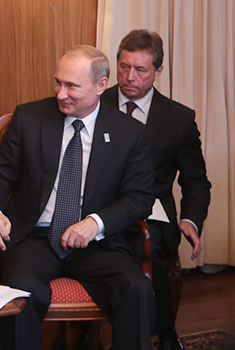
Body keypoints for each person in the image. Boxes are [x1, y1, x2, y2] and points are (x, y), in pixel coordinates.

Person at [0, 45, 155, 350]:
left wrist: (95, 223)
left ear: (101, 85)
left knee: (135, 288)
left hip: (97, 244)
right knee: (20, 291)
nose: (61, 94)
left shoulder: (129, 132)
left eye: (72, 85)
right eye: (58, 82)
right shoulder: (29, 117)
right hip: (34, 238)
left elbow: (140, 198)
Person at [101, 29, 211, 350]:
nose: (129, 77)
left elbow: (196, 180)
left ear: (158, 72)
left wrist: (191, 220)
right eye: (123, 67)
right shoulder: (97, 103)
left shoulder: (178, 119)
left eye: (140, 70)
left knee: (148, 251)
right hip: (98, 205)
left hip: (153, 212)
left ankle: (164, 335)